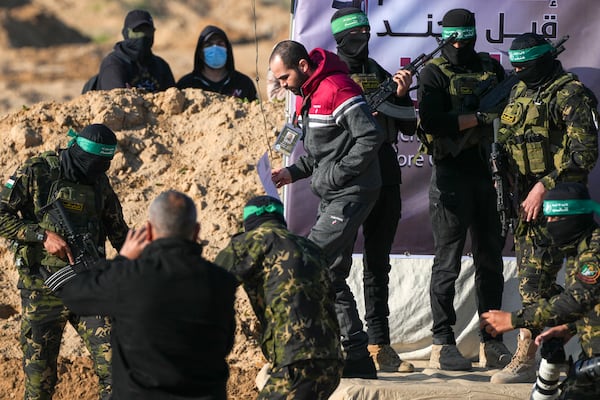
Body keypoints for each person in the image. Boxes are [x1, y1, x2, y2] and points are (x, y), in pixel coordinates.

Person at [44, 190, 238, 400]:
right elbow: (225, 342)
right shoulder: (221, 281)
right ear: (196, 230)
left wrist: (123, 259)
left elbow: (76, 296)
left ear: (149, 232)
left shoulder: (130, 277)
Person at [269, 39, 383, 378]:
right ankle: (357, 358)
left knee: (308, 259)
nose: (282, 85)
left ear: (303, 67)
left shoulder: (337, 87)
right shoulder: (307, 94)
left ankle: (301, 351)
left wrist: (333, 175)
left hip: (352, 191)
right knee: (330, 273)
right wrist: (292, 172)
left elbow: (369, 136)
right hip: (335, 192)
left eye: (285, 77)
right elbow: (321, 155)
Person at [490, 32, 599, 384]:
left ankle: (536, 351)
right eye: (515, 67)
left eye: (526, 66)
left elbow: (585, 152)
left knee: (577, 283)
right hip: (524, 201)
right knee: (532, 282)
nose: (519, 72)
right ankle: (546, 349)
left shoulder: (571, 94)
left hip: (560, 204)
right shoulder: (520, 90)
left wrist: (544, 186)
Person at [0, 123, 129, 399]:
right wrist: (41, 235)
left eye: (103, 165)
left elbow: (120, 234)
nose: (96, 171)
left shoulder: (99, 183)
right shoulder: (37, 172)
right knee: (39, 382)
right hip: (42, 289)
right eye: (93, 164)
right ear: (77, 153)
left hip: (89, 287)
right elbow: (1, 215)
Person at [417, 8, 510, 371]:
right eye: (452, 39)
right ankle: (443, 342)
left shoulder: (491, 69)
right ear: (444, 38)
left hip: (489, 174)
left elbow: (508, 102)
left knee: (490, 261)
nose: (458, 45)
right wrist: (476, 117)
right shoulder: (433, 72)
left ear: (474, 35)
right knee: (447, 263)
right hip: (451, 177)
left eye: (465, 38)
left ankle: (493, 341)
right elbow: (432, 121)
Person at [330, 6, 416, 373]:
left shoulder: (376, 72)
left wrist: (400, 95)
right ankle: (344, 342)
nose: (361, 40)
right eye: (354, 35)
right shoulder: (330, 77)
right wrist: (363, 120)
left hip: (385, 175)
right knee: (337, 265)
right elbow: (320, 131)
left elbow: (409, 126)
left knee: (378, 263)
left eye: (366, 33)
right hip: (348, 179)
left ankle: (380, 341)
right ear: (340, 38)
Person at [214, 195, 343, 399]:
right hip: (332, 362)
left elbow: (208, 286)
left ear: (249, 222)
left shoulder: (253, 241)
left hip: (296, 361)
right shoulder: (311, 248)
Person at [481, 182, 600, 399]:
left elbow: (577, 299)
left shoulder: (594, 251)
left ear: (575, 217)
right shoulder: (579, 247)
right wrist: (570, 327)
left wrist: (515, 320)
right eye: (549, 218)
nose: (551, 225)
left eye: (557, 219)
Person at [96, 9, 175, 92]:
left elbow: (173, 99)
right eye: (137, 31)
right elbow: (119, 100)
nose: (143, 35)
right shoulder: (113, 64)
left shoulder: (161, 66)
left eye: (147, 31)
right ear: (126, 33)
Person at [177, 25, 258, 101]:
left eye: (220, 44)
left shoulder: (244, 83)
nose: (215, 48)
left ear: (227, 50)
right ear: (200, 52)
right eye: (209, 44)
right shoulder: (186, 84)